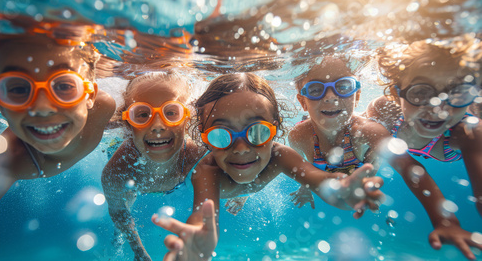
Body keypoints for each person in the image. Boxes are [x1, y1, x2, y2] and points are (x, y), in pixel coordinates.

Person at [153, 72, 385, 260]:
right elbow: (202, 218)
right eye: (221, 136)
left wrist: (343, 189)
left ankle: (242, 191)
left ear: (275, 129)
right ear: (205, 137)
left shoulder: (278, 155)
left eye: (257, 132)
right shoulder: (207, 172)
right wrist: (199, 246)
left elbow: (320, 180)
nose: (241, 148)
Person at [366, 36, 482, 260]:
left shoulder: (469, 131)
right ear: (395, 91)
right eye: (420, 92)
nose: (437, 107)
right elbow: (405, 164)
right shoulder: (383, 111)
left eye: (457, 92)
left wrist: (447, 222)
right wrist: (445, 221)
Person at [0, 30, 116, 218]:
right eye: (19, 89)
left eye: (64, 86)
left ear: (90, 95)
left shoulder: (104, 106)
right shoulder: (9, 159)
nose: (42, 108)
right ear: (0, 104)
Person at [101, 70, 207, 261]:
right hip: (135, 182)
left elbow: (233, 173)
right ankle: (118, 236)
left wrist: (242, 195)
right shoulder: (117, 169)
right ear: (127, 123)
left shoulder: (197, 155)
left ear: (186, 118)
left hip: (168, 180)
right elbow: (118, 211)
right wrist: (138, 251)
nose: (158, 125)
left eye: (171, 113)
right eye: (141, 114)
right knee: (127, 199)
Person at [288, 56, 390, 208]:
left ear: (357, 97)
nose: (330, 97)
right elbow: (308, 168)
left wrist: (364, 186)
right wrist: (307, 187)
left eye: (343, 86)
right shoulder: (299, 137)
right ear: (303, 101)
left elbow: (374, 162)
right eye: (315, 90)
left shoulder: (365, 133)